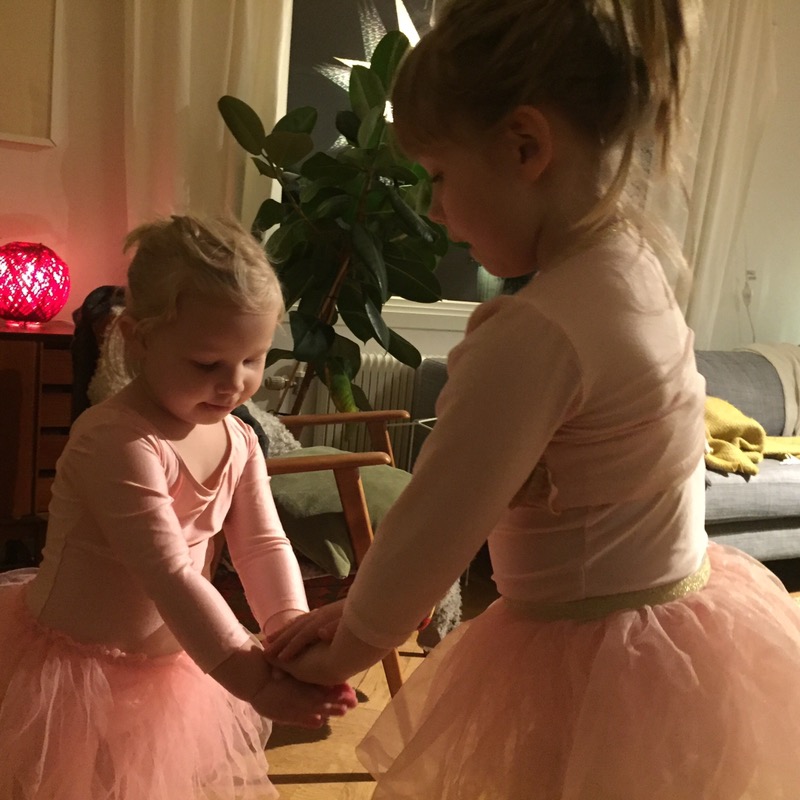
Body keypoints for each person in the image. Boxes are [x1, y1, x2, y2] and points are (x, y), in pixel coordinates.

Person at [265, 1, 800, 797]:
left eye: (440, 177)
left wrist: (349, 647)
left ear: (525, 147)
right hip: (674, 635)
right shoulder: (635, 265)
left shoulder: (536, 331)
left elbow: (437, 520)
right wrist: (358, 612)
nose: (434, 211)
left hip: (588, 660)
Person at [0, 215, 357, 800]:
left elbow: (262, 545)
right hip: (71, 673)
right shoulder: (116, 440)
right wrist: (255, 682)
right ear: (138, 338)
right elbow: (167, 573)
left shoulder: (239, 438)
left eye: (253, 360)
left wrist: (289, 632)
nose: (234, 384)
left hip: (170, 663)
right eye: (207, 364)